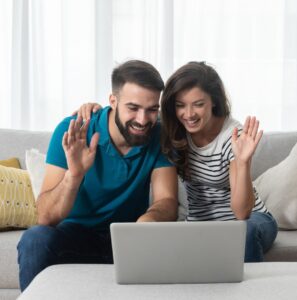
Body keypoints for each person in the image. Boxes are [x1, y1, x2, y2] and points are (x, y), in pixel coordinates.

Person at [78, 61, 278, 262]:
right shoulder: (173, 129)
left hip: (250, 221)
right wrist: (93, 109)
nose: (189, 114)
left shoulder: (233, 137)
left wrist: (243, 163)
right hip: (199, 225)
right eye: (180, 105)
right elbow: (132, 112)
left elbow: (242, 213)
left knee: (245, 233)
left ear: (214, 102)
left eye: (198, 104)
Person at [17, 60, 178, 291]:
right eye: (133, 108)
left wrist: (148, 221)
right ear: (113, 101)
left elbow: (167, 201)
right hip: (76, 237)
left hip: (129, 238)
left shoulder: (160, 135)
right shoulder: (73, 130)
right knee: (35, 239)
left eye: (152, 109)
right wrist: (74, 175)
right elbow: (45, 217)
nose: (143, 120)